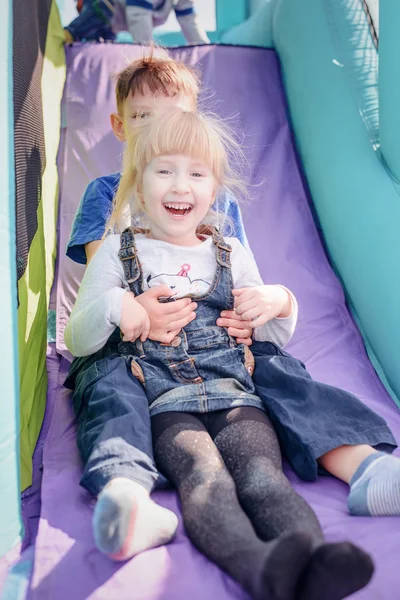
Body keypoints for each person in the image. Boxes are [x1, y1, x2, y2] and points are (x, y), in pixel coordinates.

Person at [65, 110, 375, 600]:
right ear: (138, 183)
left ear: (214, 189)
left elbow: (270, 329)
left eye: (196, 173)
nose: (180, 186)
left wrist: (279, 300)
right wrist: (116, 304)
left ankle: (315, 562)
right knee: (204, 475)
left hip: (235, 393)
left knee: (263, 477)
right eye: (164, 170)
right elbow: (78, 339)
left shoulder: (230, 250)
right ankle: (259, 568)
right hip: (167, 402)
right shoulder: (118, 252)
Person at [65, 52, 254, 561]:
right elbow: (100, 275)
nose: (157, 131)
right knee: (113, 391)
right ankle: (126, 492)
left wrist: (246, 317)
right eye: (142, 118)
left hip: (204, 343)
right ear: (119, 127)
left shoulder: (216, 199)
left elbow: (234, 275)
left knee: (275, 375)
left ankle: (352, 459)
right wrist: (136, 304)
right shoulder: (106, 193)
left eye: (171, 118)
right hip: (125, 333)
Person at [64, 0, 209, 45]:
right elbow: (138, 16)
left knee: (101, 44)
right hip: (102, 6)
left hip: (115, 23)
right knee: (100, 13)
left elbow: (188, 19)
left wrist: (203, 48)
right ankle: (70, 33)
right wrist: (147, 50)